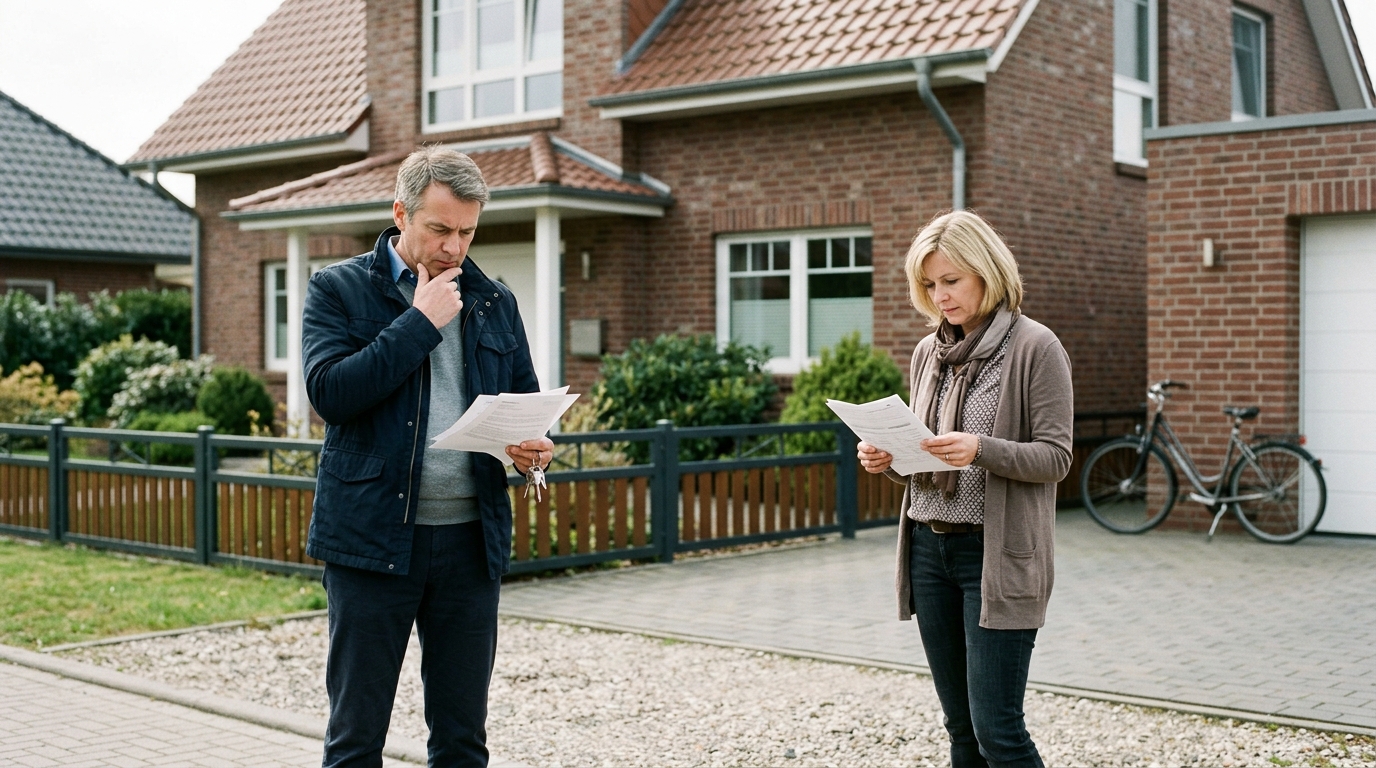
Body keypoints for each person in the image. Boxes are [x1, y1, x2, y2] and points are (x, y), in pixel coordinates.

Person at [301, 146, 553, 768]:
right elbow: (330, 394)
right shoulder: (337, 289)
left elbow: (522, 403)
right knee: (356, 739)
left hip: (470, 545)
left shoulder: (495, 301)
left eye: (467, 231)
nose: (455, 247)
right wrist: (420, 321)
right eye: (440, 229)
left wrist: (532, 453)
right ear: (400, 213)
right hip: (371, 542)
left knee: (463, 741)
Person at [857, 210, 1073, 768]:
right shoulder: (928, 353)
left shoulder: (1035, 347)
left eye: (951, 280)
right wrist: (887, 458)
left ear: (987, 271)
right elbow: (923, 457)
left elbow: (1056, 458)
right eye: (930, 284)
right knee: (959, 731)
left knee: (997, 731)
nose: (940, 296)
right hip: (930, 551)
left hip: (995, 556)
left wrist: (982, 449)